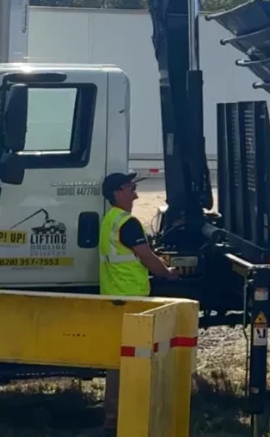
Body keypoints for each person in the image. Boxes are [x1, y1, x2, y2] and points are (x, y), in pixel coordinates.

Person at [100, 172, 177, 435]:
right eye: (131, 188)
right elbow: (147, 257)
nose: (135, 194)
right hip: (132, 300)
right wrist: (168, 272)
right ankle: (129, 415)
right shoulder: (128, 223)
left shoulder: (109, 220)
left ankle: (113, 416)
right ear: (117, 193)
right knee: (136, 357)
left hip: (114, 296)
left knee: (119, 360)